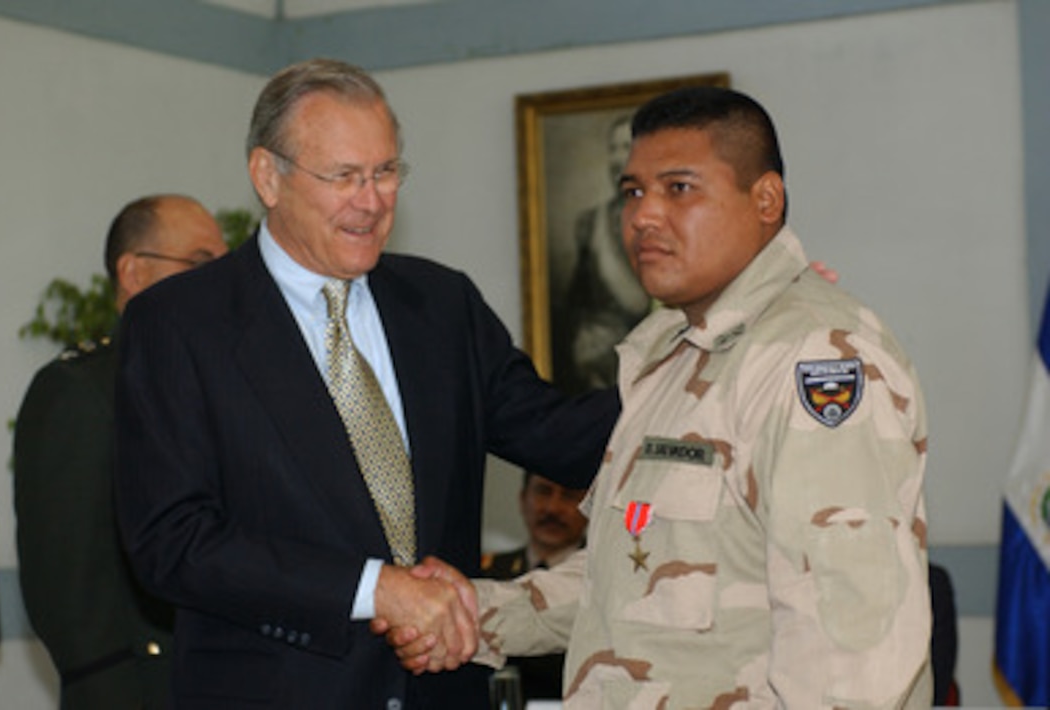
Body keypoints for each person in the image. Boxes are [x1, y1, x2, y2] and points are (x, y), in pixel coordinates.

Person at [391, 86, 933, 708]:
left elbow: (853, 657)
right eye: (632, 192)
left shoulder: (815, 358)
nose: (644, 215)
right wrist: (476, 613)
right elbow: (631, 580)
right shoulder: (672, 359)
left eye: (679, 188)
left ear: (765, 200)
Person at [113, 57, 619, 709]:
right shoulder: (182, 323)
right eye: (345, 176)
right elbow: (172, 542)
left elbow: (564, 437)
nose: (373, 200)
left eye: (386, 173)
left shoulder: (441, 305)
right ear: (268, 176)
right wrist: (375, 587)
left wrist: (708, 359)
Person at [13, 194, 228, 709]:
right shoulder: (81, 391)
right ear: (132, 273)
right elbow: (71, 600)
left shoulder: (219, 388)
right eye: (200, 264)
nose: (221, 285)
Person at [557, 113, 652, 394]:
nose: (616, 157)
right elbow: (578, 301)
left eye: (625, 147)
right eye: (612, 148)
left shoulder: (660, 222)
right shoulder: (589, 223)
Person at [479, 471, 587, 702]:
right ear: (522, 499)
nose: (552, 508)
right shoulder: (488, 573)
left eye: (568, 496)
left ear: (590, 508)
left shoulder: (602, 576)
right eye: (543, 492)